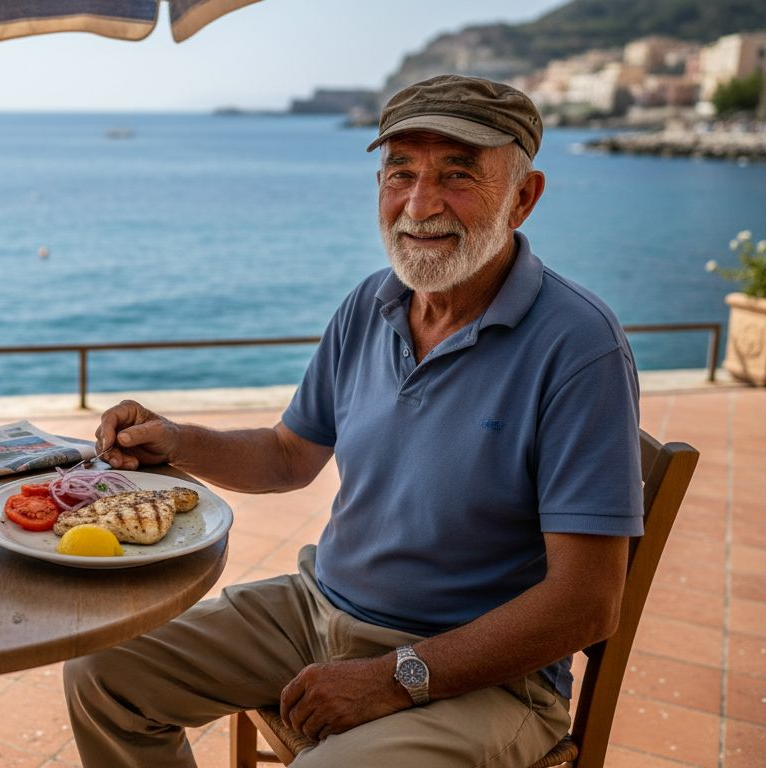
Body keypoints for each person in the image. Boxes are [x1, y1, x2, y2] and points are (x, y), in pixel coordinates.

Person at [63, 74, 644, 767]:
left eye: (458, 175)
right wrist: (178, 442)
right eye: (401, 173)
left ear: (523, 196)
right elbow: (287, 456)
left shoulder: (579, 346)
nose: (420, 204)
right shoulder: (372, 303)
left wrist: (397, 678)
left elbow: (586, 604)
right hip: (318, 609)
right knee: (102, 673)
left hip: (488, 679)